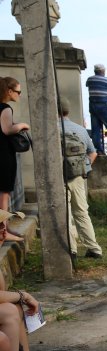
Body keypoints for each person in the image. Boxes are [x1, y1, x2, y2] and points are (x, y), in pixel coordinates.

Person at [59, 98, 103, 260]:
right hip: (78, 176)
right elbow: (93, 153)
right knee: (82, 212)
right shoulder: (80, 129)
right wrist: (84, 167)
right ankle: (94, 248)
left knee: (65, 214)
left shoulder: (50, 130)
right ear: (68, 111)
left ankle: (72, 250)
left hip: (59, 177)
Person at [0, 77, 29, 243]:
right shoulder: (5, 108)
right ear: (9, 91)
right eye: (18, 91)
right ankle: (2, 232)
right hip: (4, 155)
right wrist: (22, 125)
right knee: (4, 194)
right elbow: (7, 129)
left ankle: (4, 228)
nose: (19, 94)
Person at [85, 64, 107, 155]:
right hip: (104, 105)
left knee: (96, 129)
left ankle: (98, 150)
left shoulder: (90, 79)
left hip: (93, 105)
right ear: (103, 71)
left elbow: (87, 86)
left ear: (95, 71)